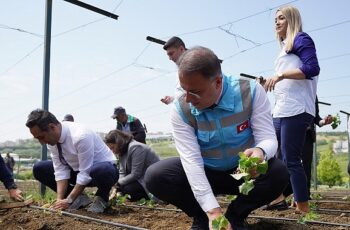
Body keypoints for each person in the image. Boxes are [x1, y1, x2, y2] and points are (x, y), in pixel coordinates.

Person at [144, 46, 289, 230]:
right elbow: (192, 162)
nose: (187, 98)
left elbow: (268, 137)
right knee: (157, 176)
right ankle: (202, 217)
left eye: (195, 92)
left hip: (240, 173)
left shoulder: (250, 92)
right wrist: (213, 212)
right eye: (184, 90)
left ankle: (236, 216)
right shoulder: (180, 109)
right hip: (206, 172)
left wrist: (260, 151)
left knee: (278, 172)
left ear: (218, 82)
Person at [263, 5, 320, 213]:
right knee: (274, 155)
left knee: (291, 158)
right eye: (275, 19)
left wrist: (281, 75)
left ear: (292, 20)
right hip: (281, 109)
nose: (276, 22)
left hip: (296, 109)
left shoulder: (301, 39)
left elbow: (312, 68)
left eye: (281, 18)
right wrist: (271, 82)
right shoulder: (285, 47)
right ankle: (278, 197)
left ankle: (303, 206)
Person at [26, 109, 118, 213]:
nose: (41, 142)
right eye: (37, 139)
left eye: (41, 137)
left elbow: (85, 173)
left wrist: (69, 200)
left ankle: (101, 198)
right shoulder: (52, 140)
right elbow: (60, 170)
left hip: (99, 172)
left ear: (52, 127)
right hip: (77, 171)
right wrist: (60, 200)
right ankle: (79, 199)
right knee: (40, 168)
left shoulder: (80, 136)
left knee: (103, 170)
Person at [104, 129, 160, 201]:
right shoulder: (122, 150)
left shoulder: (136, 147)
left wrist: (118, 184)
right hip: (140, 179)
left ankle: (152, 196)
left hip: (151, 180)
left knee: (128, 189)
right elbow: (122, 171)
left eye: (112, 148)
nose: (112, 151)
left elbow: (136, 174)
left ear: (119, 142)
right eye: (110, 149)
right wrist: (118, 187)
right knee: (123, 188)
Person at [161, 36, 187, 105]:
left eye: (171, 54)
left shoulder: (193, 67)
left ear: (181, 49)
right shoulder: (179, 68)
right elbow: (183, 93)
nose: (169, 58)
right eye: (168, 55)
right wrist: (172, 99)